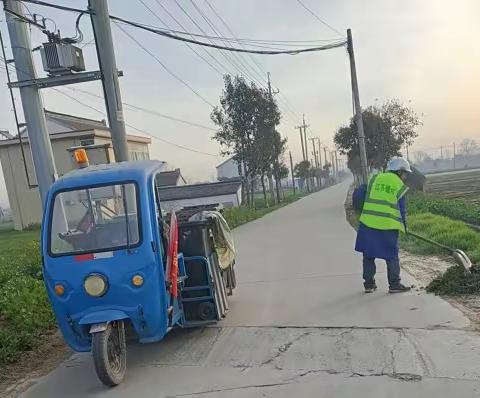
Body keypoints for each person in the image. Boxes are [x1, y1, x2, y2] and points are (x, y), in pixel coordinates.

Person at [354, 158, 412, 293]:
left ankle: (368, 284)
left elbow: (360, 195)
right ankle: (394, 284)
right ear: (399, 171)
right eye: (405, 174)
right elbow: (401, 208)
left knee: (368, 254)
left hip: (367, 223)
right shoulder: (398, 184)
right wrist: (404, 225)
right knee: (391, 255)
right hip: (387, 225)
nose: (405, 177)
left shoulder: (375, 178)